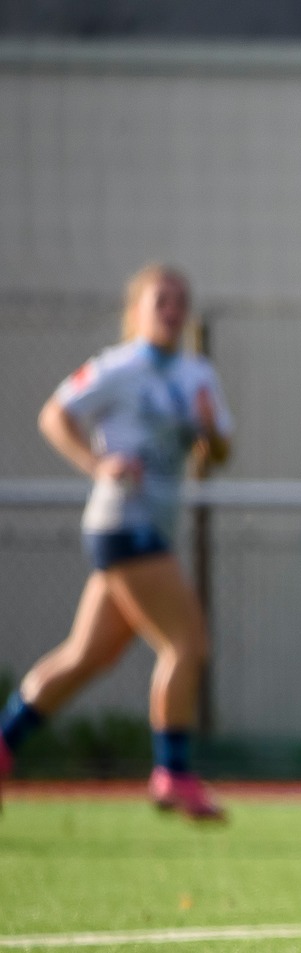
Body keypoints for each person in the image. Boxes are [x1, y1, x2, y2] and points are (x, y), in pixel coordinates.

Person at [0, 264, 232, 820]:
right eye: (161, 301)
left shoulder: (198, 377)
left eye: (180, 302)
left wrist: (209, 434)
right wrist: (98, 463)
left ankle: (4, 742)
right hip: (123, 522)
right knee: (187, 644)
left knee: (86, 657)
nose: (172, 311)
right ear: (135, 312)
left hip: (150, 529)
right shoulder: (117, 368)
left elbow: (218, 457)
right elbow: (54, 415)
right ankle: (172, 773)